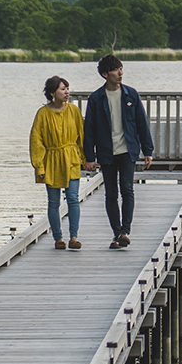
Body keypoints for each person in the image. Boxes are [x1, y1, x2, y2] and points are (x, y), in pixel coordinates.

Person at [84, 54, 154, 249]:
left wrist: (148, 150)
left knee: (127, 189)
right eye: (115, 70)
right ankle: (117, 233)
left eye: (121, 69)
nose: (120, 73)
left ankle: (125, 231)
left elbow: (142, 123)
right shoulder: (96, 98)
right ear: (105, 74)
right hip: (107, 152)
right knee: (111, 194)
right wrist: (89, 157)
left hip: (127, 150)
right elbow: (88, 129)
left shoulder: (131, 94)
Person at [30, 76, 95, 250]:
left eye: (67, 88)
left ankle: (74, 236)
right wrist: (39, 166)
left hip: (71, 157)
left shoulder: (73, 111)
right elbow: (36, 141)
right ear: (52, 93)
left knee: (73, 198)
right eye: (62, 89)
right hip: (51, 159)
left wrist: (87, 158)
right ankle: (58, 238)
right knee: (53, 201)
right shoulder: (42, 114)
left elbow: (82, 136)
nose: (67, 92)